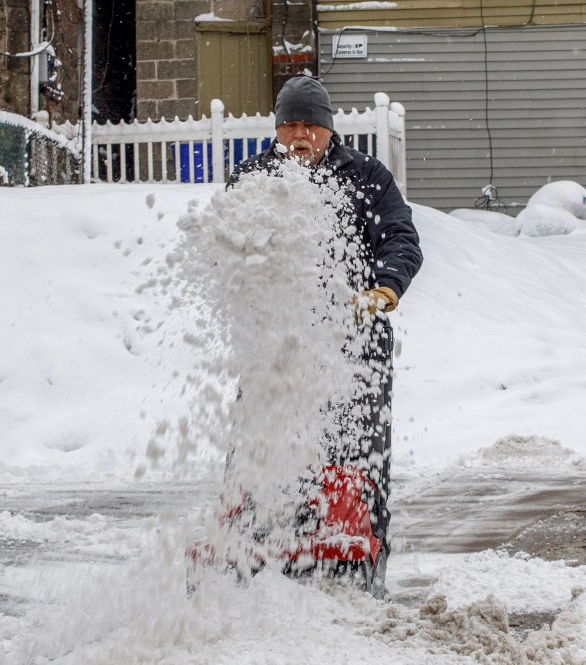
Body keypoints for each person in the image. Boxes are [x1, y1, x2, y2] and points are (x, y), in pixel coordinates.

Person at [228, 76, 423, 584]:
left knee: (357, 452)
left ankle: (365, 554)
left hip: (353, 343)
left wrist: (384, 289)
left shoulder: (367, 177)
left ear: (328, 129)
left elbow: (402, 238)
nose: (298, 136)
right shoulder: (253, 178)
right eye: (289, 124)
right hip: (279, 345)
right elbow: (231, 244)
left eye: (309, 125)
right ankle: (253, 547)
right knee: (262, 443)